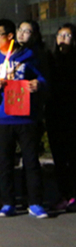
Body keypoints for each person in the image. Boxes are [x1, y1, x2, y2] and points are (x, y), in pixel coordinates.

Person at [0, 19, 48, 219]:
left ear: (10, 36)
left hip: (25, 117)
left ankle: (35, 203)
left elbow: (42, 79)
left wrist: (37, 84)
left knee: (31, 161)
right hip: (3, 117)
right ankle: (8, 202)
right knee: (4, 162)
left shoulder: (28, 55)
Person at [46, 23, 76, 212]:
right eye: (60, 35)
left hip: (72, 113)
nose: (63, 39)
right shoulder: (50, 60)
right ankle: (64, 194)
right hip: (55, 113)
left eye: (67, 35)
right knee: (59, 157)